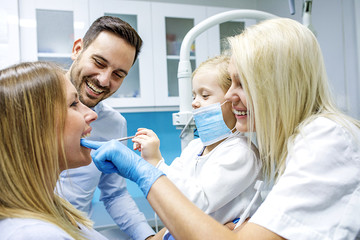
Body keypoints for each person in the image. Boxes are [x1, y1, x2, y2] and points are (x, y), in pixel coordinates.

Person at [82, 18, 360, 240]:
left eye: (241, 84)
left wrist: (146, 170)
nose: (228, 97)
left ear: (276, 84)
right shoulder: (294, 143)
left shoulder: (325, 139)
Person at [132, 55, 261, 234]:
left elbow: (197, 203)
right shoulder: (195, 147)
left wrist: (157, 162)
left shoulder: (241, 153)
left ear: (232, 101)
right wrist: (150, 160)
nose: (194, 102)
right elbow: (171, 191)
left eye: (205, 95)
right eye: (194, 95)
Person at [57, 16, 155, 240]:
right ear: (77, 49)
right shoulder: (26, 105)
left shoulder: (114, 124)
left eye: (118, 74)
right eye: (99, 63)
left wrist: (147, 237)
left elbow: (115, 194)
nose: (103, 80)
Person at [0, 61, 102, 239]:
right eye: (73, 104)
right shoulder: (33, 234)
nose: (92, 114)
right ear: (33, 130)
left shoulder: (53, 207)